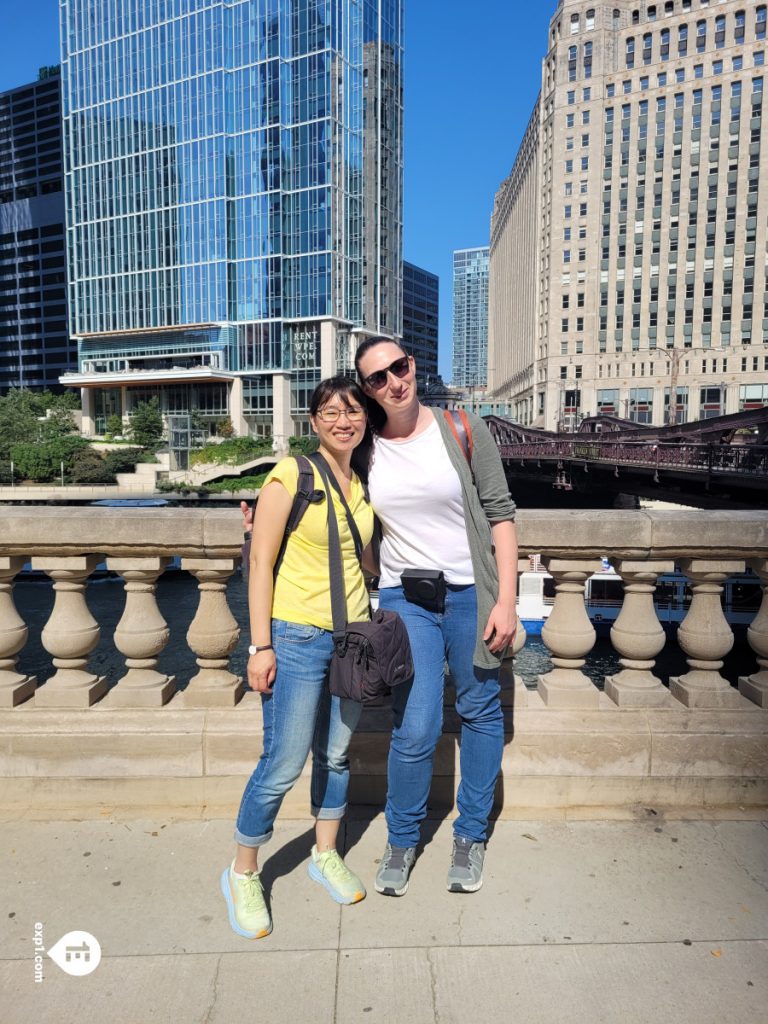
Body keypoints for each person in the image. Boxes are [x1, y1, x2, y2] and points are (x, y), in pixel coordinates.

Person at [354, 338, 518, 897]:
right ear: (368, 390)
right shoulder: (366, 447)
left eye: (398, 368)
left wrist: (507, 600)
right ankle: (402, 839)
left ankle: (470, 835)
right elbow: (350, 519)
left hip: (473, 593)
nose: (393, 382)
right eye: (377, 378)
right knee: (417, 723)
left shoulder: (463, 429)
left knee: (478, 710)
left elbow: (500, 514)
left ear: (414, 366)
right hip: (406, 599)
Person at [222, 377, 373, 940]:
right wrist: (260, 645)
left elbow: (363, 560)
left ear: (365, 421)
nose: (342, 421)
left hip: (351, 639)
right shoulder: (292, 473)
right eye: (330, 413)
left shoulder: (361, 484)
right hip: (295, 635)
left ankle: (324, 853)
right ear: (313, 422)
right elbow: (259, 563)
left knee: (335, 755)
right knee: (283, 762)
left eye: (352, 412)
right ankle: (242, 872)